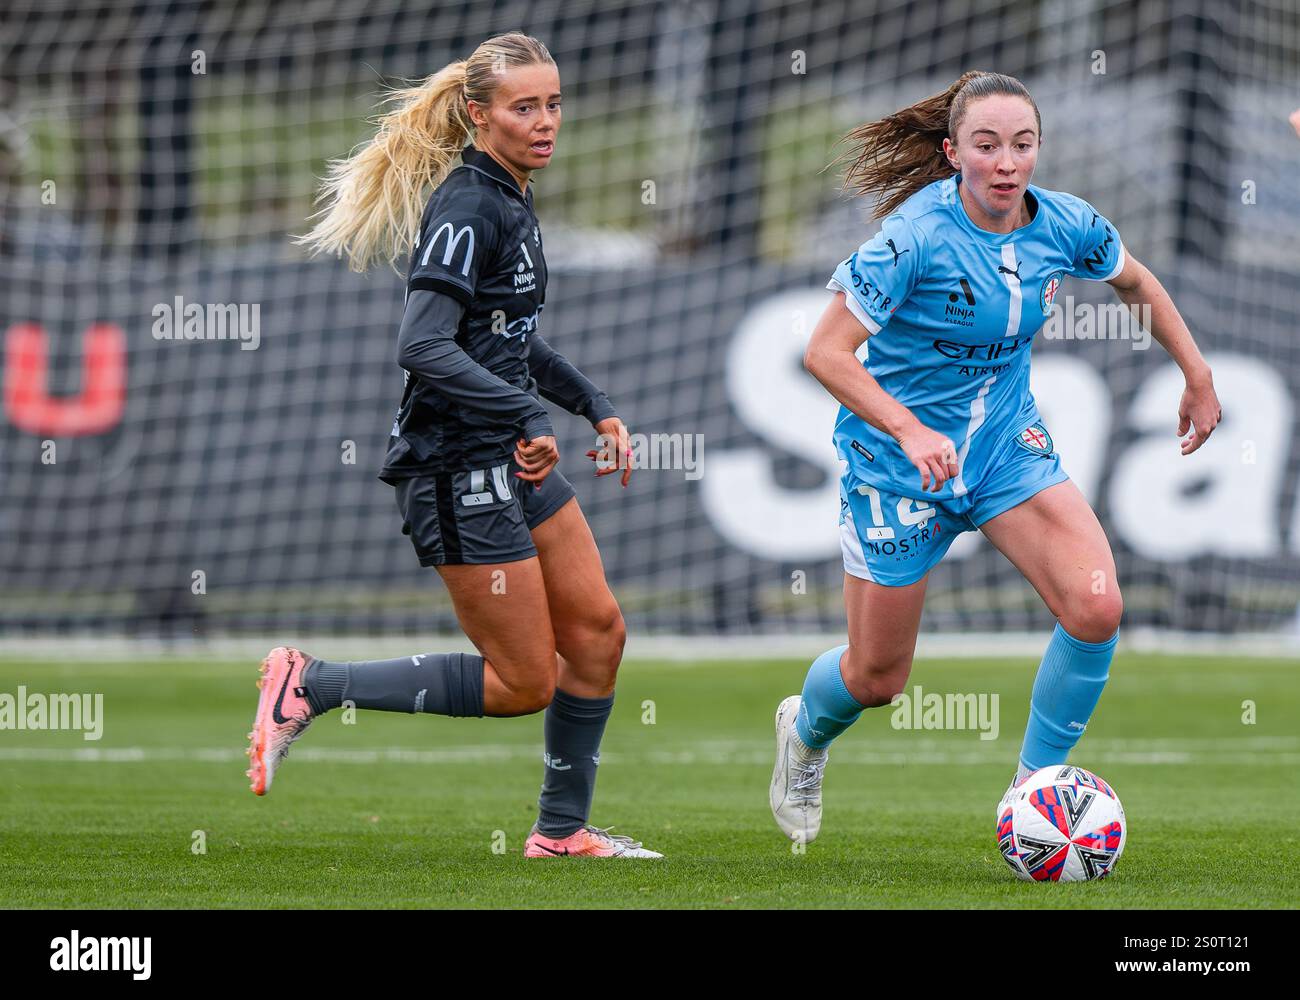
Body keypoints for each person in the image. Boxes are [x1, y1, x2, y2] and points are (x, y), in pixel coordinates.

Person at [770, 71, 1222, 844]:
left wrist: (1197, 371)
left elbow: (1135, 279)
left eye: (1022, 144)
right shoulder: (913, 238)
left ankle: (1031, 799)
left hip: (1007, 452)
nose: (1006, 162)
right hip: (896, 467)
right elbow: (827, 352)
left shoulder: (1065, 223)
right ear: (953, 153)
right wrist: (911, 430)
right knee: (876, 680)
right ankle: (805, 732)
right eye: (986, 145)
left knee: (1097, 605)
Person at [248, 31, 659, 859]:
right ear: (479, 114)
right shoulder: (469, 204)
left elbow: (507, 337)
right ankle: (313, 684)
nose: (546, 121)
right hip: (455, 465)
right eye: (524, 107)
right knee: (522, 683)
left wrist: (592, 405)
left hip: (508, 455)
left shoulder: (512, 195)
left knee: (598, 636)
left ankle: (561, 832)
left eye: (553, 103)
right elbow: (424, 344)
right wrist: (529, 418)